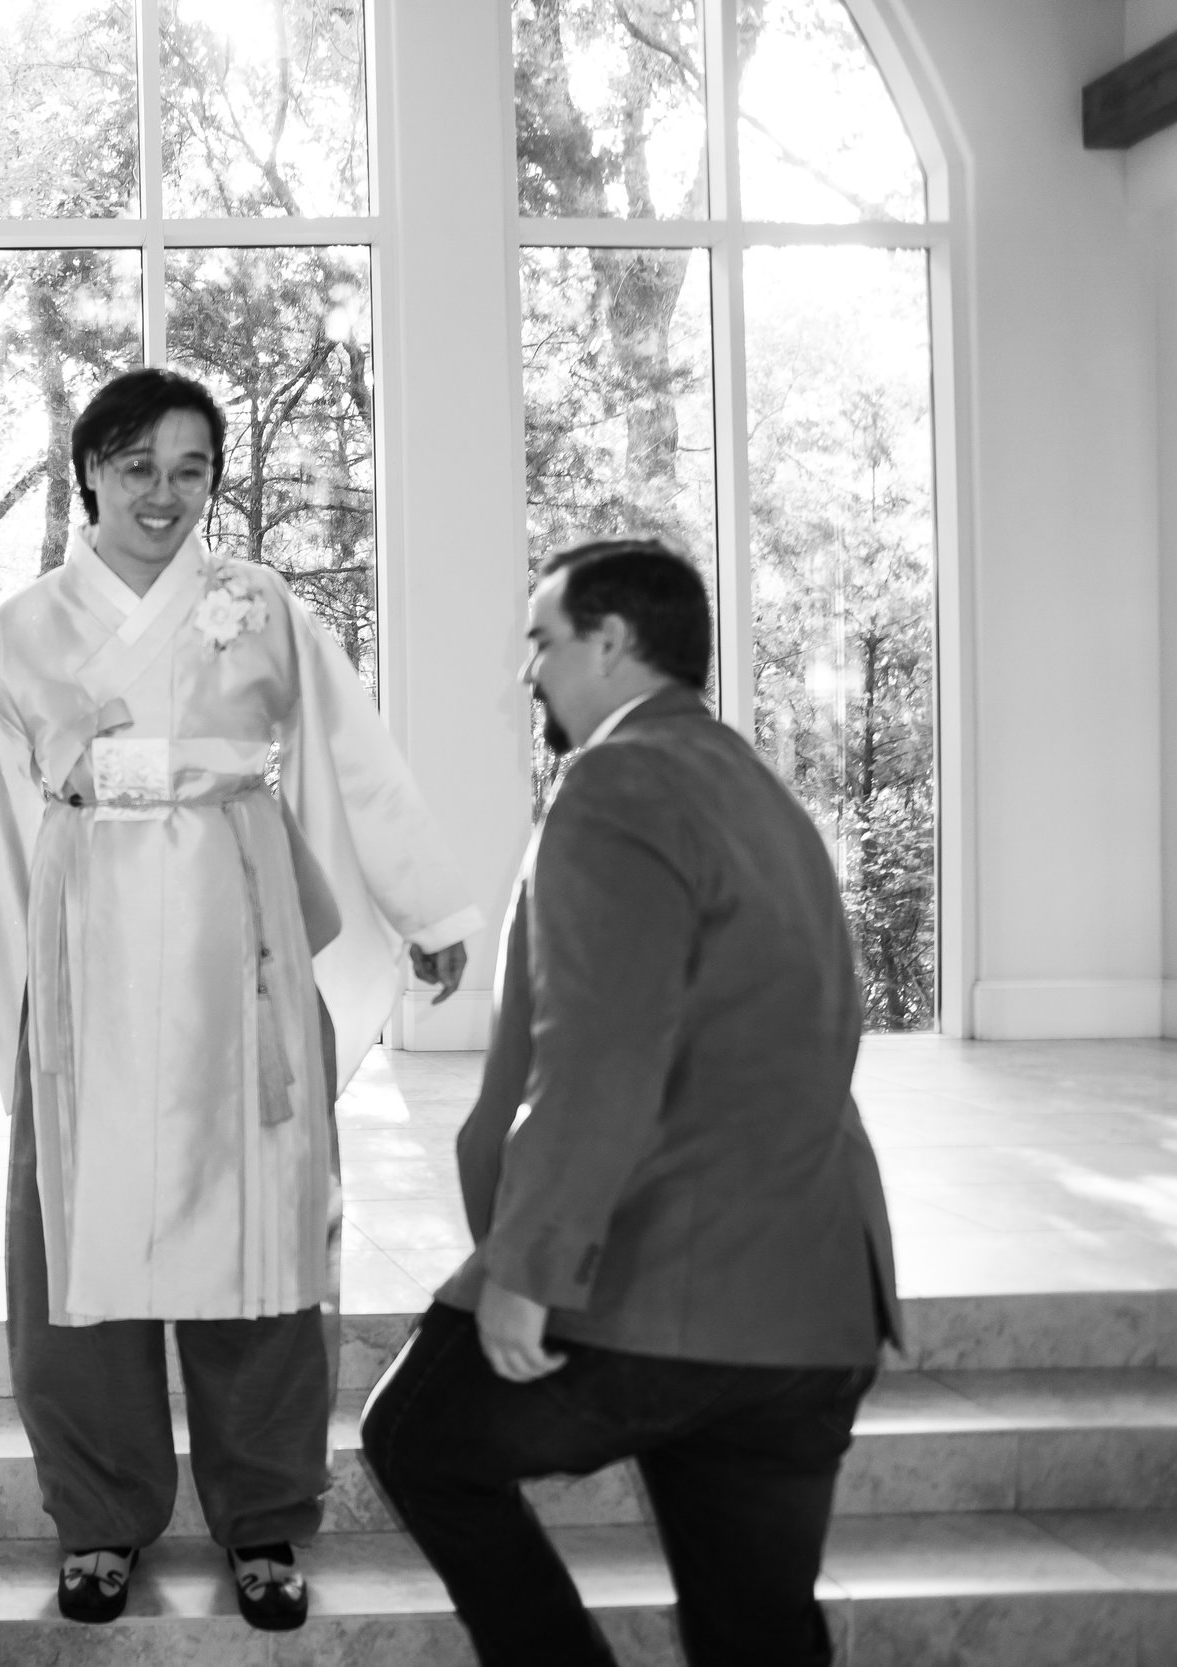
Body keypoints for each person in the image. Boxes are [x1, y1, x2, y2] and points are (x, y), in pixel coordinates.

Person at [0, 368, 482, 1632]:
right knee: (80, 1243)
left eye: (190, 469)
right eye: (137, 467)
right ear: (88, 475)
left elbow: (354, 757)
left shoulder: (263, 607)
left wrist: (429, 909)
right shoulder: (17, 626)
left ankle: (264, 1511)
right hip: (85, 956)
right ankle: (99, 1512)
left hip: (244, 951)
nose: (163, 493)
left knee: (263, 1235)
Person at [359, 539, 902, 1667]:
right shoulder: (757, 790)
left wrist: (528, 1270)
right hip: (813, 1304)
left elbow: (600, 1054)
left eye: (542, 643)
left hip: (667, 1278)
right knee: (756, 1631)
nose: (529, 674)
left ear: (609, 644)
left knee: (415, 1434)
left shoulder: (617, 783)